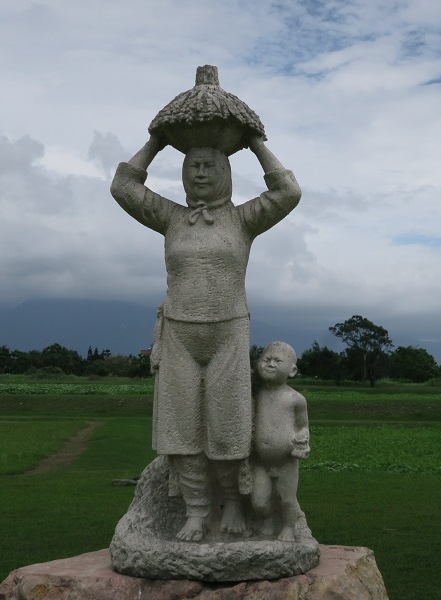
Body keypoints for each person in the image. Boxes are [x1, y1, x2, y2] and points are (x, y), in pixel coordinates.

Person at [110, 134, 301, 542]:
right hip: (179, 332)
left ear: (227, 172)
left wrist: (254, 143)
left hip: (228, 332)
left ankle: (232, 503)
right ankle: (196, 512)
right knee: (181, 431)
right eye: (192, 164)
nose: (199, 172)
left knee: (229, 430)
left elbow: (288, 192)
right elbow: (123, 188)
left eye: (209, 165)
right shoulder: (171, 217)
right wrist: (156, 141)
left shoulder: (243, 219)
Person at [250, 341, 310, 542]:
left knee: (287, 499)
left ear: (292, 370)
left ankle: (288, 527)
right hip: (260, 462)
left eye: (278, 360)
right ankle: (266, 523)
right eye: (266, 359)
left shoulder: (295, 399)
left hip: (286, 461)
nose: (271, 364)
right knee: (258, 501)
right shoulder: (255, 394)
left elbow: (303, 426)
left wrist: (302, 441)